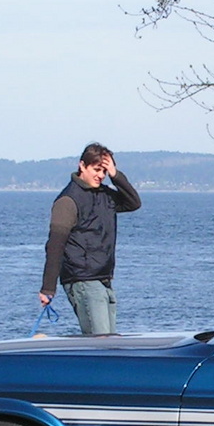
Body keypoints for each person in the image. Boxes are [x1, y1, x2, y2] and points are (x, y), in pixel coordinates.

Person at [40, 143, 142, 335]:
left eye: (104, 171)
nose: (100, 175)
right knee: (101, 343)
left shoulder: (105, 196)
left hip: (104, 279)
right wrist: (48, 288)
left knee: (111, 344)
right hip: (82, 280)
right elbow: (55, 246)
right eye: (97, 169)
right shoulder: (68, 201)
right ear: (82, 166)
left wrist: (116, 175)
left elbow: (133, 203)